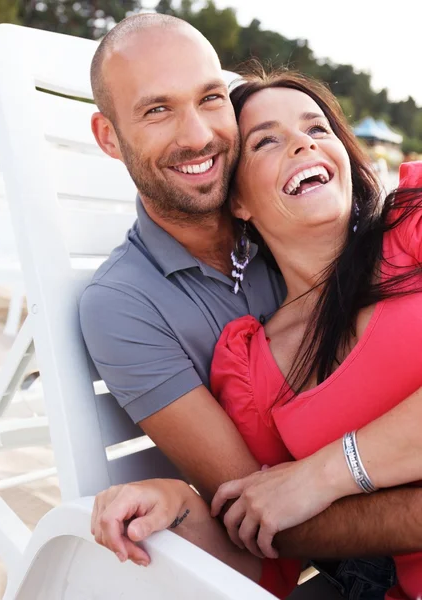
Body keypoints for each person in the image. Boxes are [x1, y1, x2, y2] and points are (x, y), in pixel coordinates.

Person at [79, 13, 422, 599]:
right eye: (156, 109)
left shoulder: (409, 224)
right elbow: (259, 522)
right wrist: (180, 502)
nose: (195, 136)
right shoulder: (230, 355)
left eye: (210, 98)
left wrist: (327, 471)